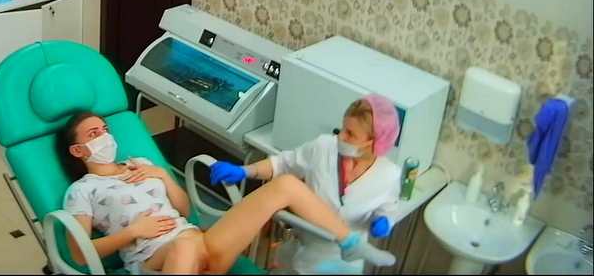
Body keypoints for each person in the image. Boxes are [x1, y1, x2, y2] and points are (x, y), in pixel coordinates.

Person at [58, 111, 396, 275]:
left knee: (287, 186)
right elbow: (79, 254)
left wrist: (162, 175)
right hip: (154, 259)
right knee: (185, 245)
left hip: (202, 244)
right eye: (93, 133)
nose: (105, 136)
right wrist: (135, 231)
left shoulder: (142, 164)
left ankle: (350, 242)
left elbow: (184, 209)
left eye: (105, 128)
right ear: (77, 150)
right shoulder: (82, 190)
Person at [211, 94, 402, 274]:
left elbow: (389, 207)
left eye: (350, 134)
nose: (341, 137)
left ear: (373, 142)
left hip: (342, 263)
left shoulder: (388, 175)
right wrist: (245, 171)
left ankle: (351, 245)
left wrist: (384, 220)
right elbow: (282, 164)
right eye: (343, 128)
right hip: (302, 250)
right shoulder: (324, 147)